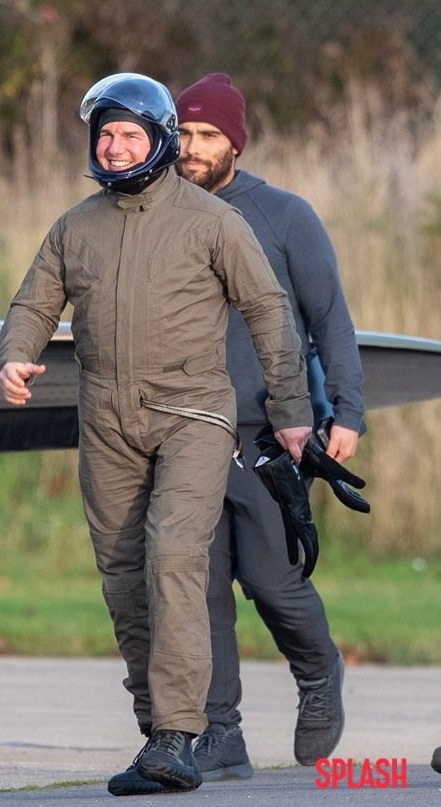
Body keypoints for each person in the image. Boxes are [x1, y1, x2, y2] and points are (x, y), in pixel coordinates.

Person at [0, 72, 313, 796]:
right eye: (104, 134)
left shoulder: (212, 221)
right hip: (105, 421)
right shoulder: (75, 226)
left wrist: (292, 408)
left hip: (193, 414)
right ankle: (156, 735)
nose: (113, 146)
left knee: (172, 552)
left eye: (128, 134)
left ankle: (178, 732)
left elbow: (268, 309)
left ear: (161, 140)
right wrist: (15, 354)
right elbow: (33, 304)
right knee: (123, 575)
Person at [174, 73, 365, 781]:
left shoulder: (284, 216)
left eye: (207, 135)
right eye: (183, 133)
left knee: (271, 580)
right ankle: (220, 733)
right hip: (184, 431)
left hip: (266, 433)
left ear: (235, 143)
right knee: (198, 588)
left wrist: (346, 411)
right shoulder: (160, 213)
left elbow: (330, 319)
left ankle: (318, 672)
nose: (191, 148)